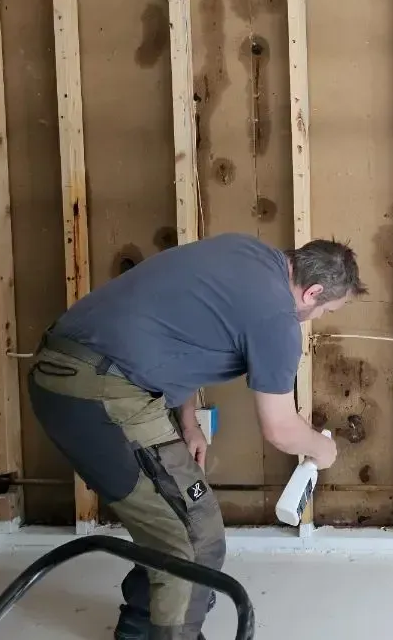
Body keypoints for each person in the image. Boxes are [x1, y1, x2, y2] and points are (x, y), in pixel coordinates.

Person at [27, 232, 365, 640]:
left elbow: (180, 333)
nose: (316, 318)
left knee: (174, 518)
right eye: (325, 310)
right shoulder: (277, 317)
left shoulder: (242, 251)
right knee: (195, 537)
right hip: (100, 395)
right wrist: (322, 449)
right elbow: (280, 428)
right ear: (313, 292)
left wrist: (188, 423)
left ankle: (139, 630)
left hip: (61, 370)